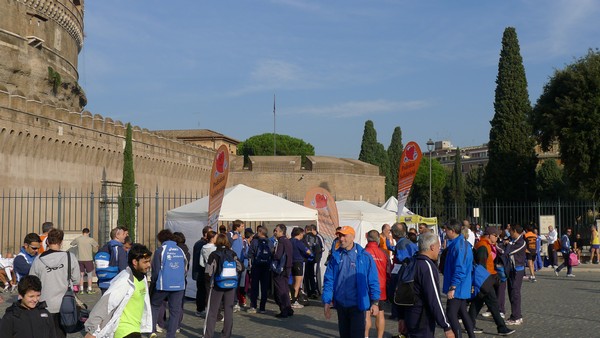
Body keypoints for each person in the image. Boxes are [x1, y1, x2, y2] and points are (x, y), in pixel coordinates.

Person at [83, 244, 153, 338]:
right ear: (135, 262)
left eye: (149, 261)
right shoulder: (124, 280)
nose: (149, 265)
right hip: (124, 331)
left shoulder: (142, 278)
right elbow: (106, 303)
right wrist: (92, 331)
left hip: (136, 329)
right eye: (145, 262)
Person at [322, 226, 380, 338]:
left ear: (353, 237)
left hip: (357, 305)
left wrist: (375, 302)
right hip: (341, 305)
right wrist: (327, 301)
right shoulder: (335, 256)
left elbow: (373, 280)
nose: (341, 239)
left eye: (344, 235)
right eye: (339, 236)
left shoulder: (364, 256)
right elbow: (329, 280)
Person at [29, 228, 80, 338]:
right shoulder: (69, 257)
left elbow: (32, 282)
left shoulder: (38, 259)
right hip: (64, 304)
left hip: (44, 303)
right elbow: (76, 280)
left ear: (47, 242)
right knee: (60, 333)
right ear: (61, 242)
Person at [405, 232, 454, 338]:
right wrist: (446, 326)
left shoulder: (412, 262)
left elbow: (400, 289)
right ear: (432, 247)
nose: (439, 250)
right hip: (422, 318)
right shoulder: (426, 266)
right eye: (438, 247)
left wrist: (400, 316)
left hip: (409, 315)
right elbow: (434, 298)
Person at [468, 227, 515, 336]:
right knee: (493, 303)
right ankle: (501, 327)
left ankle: (470, 324)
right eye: (495, 235)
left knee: (478, 302)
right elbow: (481, 266)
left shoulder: (486, 245)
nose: (497, 237)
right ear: (489, 235)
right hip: (485, 279)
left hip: (486, 279)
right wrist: (489, 279)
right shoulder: (483, 247)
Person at [203, 233, 244, 338]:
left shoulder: (214, 254)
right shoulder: (232, 253)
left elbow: (208, 272)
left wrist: (209, 281)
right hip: (231, 285)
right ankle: (226, 334)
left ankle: (208, 335)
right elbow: (241, 267)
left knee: (212, 311)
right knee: (228, 311)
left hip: (217, 285)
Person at [149, 229, 187, 338]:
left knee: (155, 305)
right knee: (175, 311)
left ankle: (152, 330)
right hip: (179, 285)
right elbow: (185, 268)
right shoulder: (180, 250)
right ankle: (171, 335)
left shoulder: (160, 250)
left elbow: (155, 270)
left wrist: (154, 282)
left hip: (163, 285)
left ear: (161, 239)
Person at [442, 219, 475, 338]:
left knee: (451, 314)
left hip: (458, 286)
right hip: (463, 285)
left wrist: (453, 287)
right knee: (463, 312)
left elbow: (459, 268)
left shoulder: (458, 245)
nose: (445, 232)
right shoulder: (463, 243)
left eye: (446, 230)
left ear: (452, 231)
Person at [364, 230, 389, 338]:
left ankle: (365, 336)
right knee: (381, 313)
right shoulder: (384, 253)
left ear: (367, 238)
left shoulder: (363, 252)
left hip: (366, 287)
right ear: (378, 239)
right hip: (381, 287)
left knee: (366, 313)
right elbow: (388, 270)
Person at [501, 224, 526, 326]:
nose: (509, 233)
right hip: (511, 269)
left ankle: (517, 316)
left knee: (515, 293)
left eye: (510, 231)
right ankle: (515, 315)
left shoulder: (521, 242)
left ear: (515, 231)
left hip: (517, 270)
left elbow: (508, 252)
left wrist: (508, 244)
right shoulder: (513, 240)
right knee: (511, 292)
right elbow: (503, 245)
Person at [247, 226, 274, 314]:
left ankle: (253, 306)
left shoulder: (254, 241)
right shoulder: (270, 242)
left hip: (256, 266)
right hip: (266, 267)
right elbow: (272, 253)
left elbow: (250, 254)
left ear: (260, 232)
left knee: (254, 286)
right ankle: (262, 307)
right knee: (264, 287)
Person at [97, 226, 129, 294]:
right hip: (114, 284)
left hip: (103, 283)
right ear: (117, 235)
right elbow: (123, 269)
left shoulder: (104, 247)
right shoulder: (119, 249)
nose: (125, 236)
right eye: (123, 234)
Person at [273, 223, 294, 318]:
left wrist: (272, 253)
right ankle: (288, 308)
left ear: (281, 232)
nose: (275, 232)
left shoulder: (281, 242)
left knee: (281, 289)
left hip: (281, 268)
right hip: (287, 267)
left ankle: (284, 309)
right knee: (285, 289)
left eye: (276, 231)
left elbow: (278, 255)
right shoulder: (288, 241)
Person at [70, 228, 99, 294]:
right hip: (88, 259)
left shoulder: (78, 239)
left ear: (82, 232)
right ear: (88, 233)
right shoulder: (90, 239)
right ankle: (89, 289)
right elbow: (97, 245)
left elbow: (72, 243)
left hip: (79, 259)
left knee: (81, 275)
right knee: (89, 274)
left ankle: (81, 289)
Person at [290, 227, 311, 308]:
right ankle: (294, 300)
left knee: (292, 282)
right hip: (298, 262)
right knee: (298, 283)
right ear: (300, 234)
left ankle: (292, 298)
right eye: (302, 234)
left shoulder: (290, 241)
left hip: (291, 263)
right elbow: (307, 251)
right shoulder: (298, 242)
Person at [192, 225, 211, 316]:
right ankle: (200, 309)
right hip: (201, 271)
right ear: (206, 234)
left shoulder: (199, 243)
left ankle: (201, 308)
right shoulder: (202, 244)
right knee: (202, 291)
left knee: (202, 290)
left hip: (200, 271)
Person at [303, 224, 324, 299]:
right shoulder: (317, 238)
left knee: (306, 276)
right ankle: (313, 291)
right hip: (313, 260)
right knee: (312, 276)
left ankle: (308, 292)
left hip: (305, 260)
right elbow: (319, 249)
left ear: (306, 230)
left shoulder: (304, 237)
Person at [228, 220, 244, 312]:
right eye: (242, 226)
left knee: (237, 284)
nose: (243, 228)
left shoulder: (240, 235)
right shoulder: (230, 234)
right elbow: (226, 243)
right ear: (237, 227)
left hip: (239, 263)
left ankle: (235, 301)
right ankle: (233, 302)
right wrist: (232, 239)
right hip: (233, 262)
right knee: (233, 283)